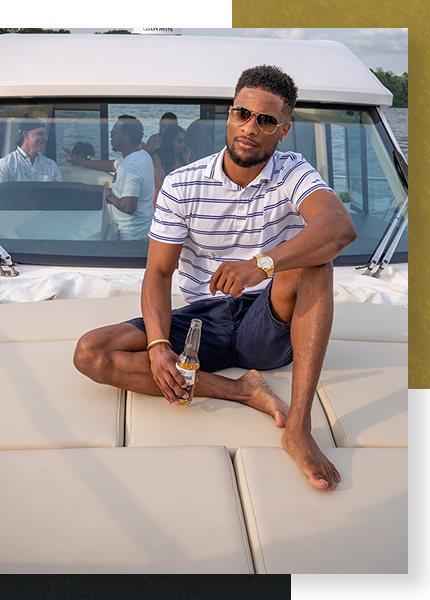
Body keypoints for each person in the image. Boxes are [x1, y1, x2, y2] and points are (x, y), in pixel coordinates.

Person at [73, 66, 357, 491]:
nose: (250, 127)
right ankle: (242, 390)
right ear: (229, 115)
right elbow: (158, 272)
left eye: (266, 120)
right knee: (90, 353)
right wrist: (157, 346)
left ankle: (298, 426)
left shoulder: (292, 172)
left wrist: (259, 265)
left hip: (267, 318)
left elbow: (339, 226)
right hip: (201, 320)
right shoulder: (182, 184)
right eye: (242, 113)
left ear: (283, 131)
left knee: (316, 259)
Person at [63, 116, 155, 240]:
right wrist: (81, 162)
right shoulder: (141, 155)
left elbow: (128, 207)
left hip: (131, 236)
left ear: (125, 137)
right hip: (145, 231)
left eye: (113, 133)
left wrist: (108, 195)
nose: (111, 136)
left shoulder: (131, 168)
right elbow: (113, 165)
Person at [0, 118, 63, 183]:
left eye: (45, 134)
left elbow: (60, 195)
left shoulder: (51, 165)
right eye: (40, 133)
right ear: (25, 135)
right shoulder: (6, 164)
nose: (45, 138)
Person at [151, 125, 194, 206]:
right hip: (164, 201)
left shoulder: (181, 157)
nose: (181, 145)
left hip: (180, 200)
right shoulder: (157, 157)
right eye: (179, 141)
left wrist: (187, 161)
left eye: (184, 142)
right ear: (170, 140)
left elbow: (190, 180)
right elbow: (161, 184)